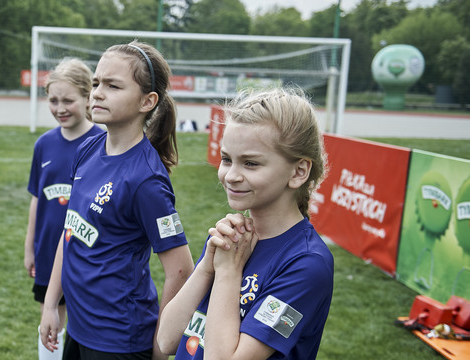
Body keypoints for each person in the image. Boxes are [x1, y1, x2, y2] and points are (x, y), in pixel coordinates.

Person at [39, 41, 195, 360]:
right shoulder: (89, 149)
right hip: (80, 329)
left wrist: (160, 346)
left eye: (112, 85)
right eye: (97, 82)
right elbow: (70, 231)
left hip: (119, 340)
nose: (97, 92)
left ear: (147, 101)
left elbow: (181, 270)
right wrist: (52, 304)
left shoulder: (146, 179)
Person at [156, 87, 334, 360]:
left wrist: (227, 272)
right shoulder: (232, 238)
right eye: (227, 159)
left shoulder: (307, 264)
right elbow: (167, 339)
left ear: (298, 171)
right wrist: (206, 267)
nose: (231, 175)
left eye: (250, 163)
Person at [25, 57, 105, 360]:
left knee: (85, 319)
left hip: (88, 252)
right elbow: (37, 198)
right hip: (48, 249)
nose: (60, 108)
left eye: (68, 100)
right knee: (51, 317)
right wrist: (29, 248)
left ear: (87, 98)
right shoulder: (43, 144)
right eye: (53, 99)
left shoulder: (102, 142)